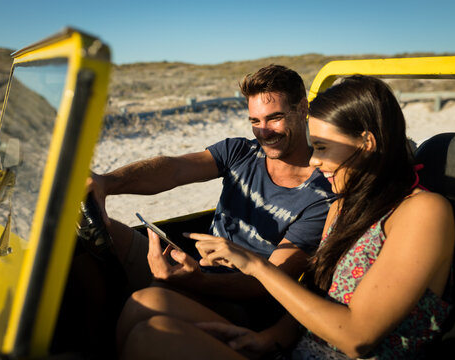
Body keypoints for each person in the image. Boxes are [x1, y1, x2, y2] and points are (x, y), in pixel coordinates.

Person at [120, 75, 455, 359]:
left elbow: (358, 338)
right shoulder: (346, 203)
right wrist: (270, 338)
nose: (313, 161)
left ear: (366, 143)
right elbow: (315, 289)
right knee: (143, 305)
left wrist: (255, 266)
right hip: (297, 348)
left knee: (150, 338)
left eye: (322, 147)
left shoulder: (424, 211)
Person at [84, 65, 334, 345]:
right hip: (198, 271)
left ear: (302, 109)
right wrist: (108, 182)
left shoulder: (321, 194)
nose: (263, 131)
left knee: (145, 303)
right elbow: (174, 169)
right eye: (255, 120)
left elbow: (266, 285)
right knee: (93, 239)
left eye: (274, 118)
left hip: (241, 306)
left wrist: (196, 282)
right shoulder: (242, 151)